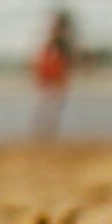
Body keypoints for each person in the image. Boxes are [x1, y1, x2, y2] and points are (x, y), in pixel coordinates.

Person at [32, 9, 79, 140]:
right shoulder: (57, 39)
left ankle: (46, 127)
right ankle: (46, 127)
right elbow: (57, 57)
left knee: (51, 102)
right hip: (54, 71)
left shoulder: (57, 39)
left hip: (55, 71)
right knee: (51, 102)